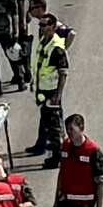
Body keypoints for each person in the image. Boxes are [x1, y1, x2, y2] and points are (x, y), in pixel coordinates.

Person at [28, 11, 70, 161]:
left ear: (52, 26)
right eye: (40, 24)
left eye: (44, 25)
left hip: (51, 92)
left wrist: (57, 96)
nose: (41, 27)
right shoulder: (44, 41)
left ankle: (56, 157)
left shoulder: (57, 47)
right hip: (43, 90)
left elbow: (63, 73)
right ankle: (43, 147)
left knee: (54, 127)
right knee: (46, 121)